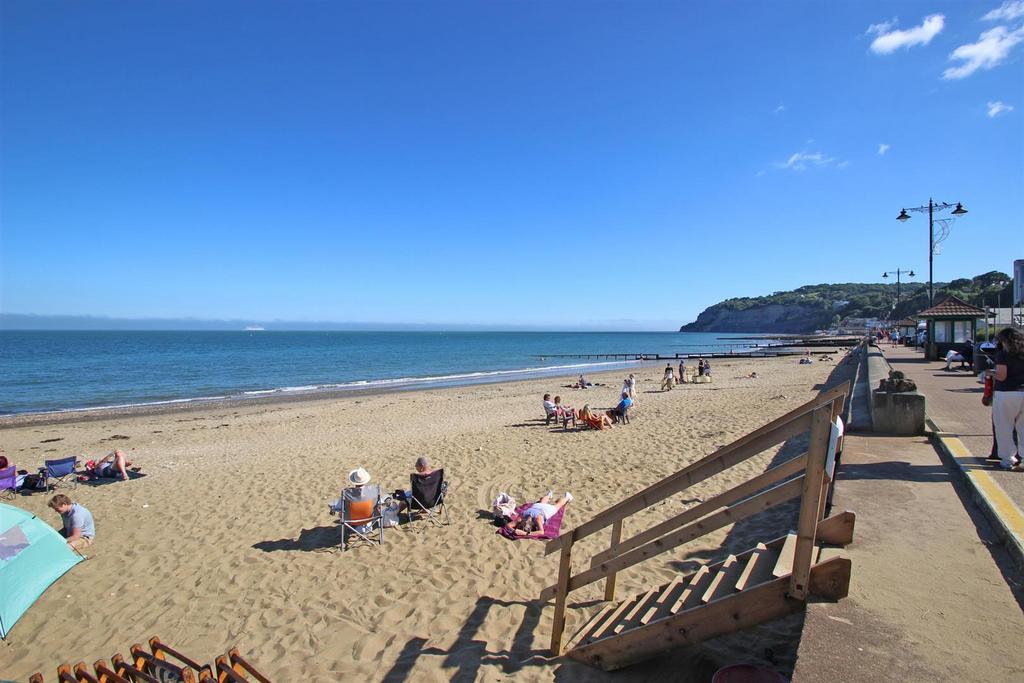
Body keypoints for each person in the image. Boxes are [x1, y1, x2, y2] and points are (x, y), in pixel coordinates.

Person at [992, 328, 1024, 471]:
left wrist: (990, 373)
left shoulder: (1003, 355)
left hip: (1006, 393)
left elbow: (1002, 376)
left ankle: (1008, 459)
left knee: (1004, 426)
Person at [504, 491, 573, 536]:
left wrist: (515, 530)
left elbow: (508, 525)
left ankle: (549, 496)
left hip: (537, 507)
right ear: (531, 524)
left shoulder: (521, 518)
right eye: (526, 523)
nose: (525, 521)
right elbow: (541, 532)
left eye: (523, 523)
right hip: (545, 511)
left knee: (543, 502)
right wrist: (526, 533)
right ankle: (567, 497)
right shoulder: (537, 519)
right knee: (558, 505)